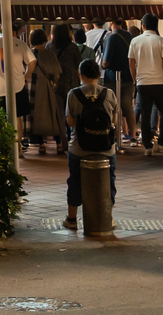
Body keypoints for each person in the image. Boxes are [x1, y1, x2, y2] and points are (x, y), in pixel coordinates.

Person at [62, 59, 119, 231]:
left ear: (81, 75)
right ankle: (107, 217)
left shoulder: (73, 93)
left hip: (80, 148)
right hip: (106, 149)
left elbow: (70, 122)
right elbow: (114, 121)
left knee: (74, 182)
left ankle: (72, 219)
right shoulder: (109, 93)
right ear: (99, 75)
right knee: (110, 181)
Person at [0, 27, 36, 155]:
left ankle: (3, 147)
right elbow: (32, 61)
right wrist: (25, 76)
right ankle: (16, 148)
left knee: (0, 118)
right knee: (17, 118)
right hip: (18, 85)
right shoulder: (20, 43)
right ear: (14, 30)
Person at [128, 13, 163, 155]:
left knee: (145, 115)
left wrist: (135, 79)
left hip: (143, 83)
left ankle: (147, 146)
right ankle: (162, 143)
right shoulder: (161, 41)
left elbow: (131, 62)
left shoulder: (135, 41)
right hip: (159, 82)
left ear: (143, 26)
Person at [28, 29, 66, 155]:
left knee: (36, 116)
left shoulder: (30, 54)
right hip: (48, 87)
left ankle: (41, 145)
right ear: (44, 40)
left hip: (34, 87)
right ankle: (59, 144)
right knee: (53, 115)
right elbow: (57, 74)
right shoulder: (50, 54)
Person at [100, 18, 136, 148]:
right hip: (128, 77)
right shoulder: (129, 35)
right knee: (127, 107)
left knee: (112, 107)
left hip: (112, 77)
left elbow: (106, 62)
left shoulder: (111, 37)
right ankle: (133, 136)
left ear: (112, 22)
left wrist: (102, 66)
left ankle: (115, 135)